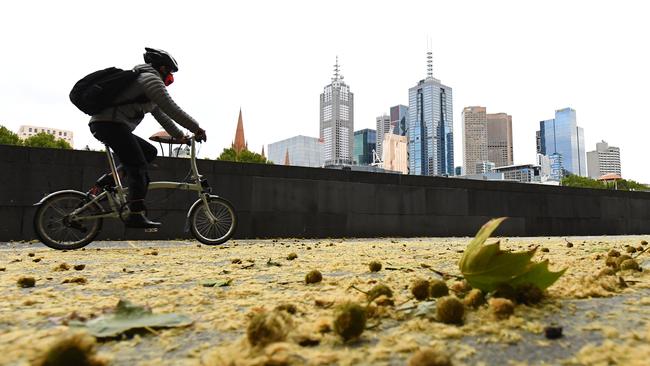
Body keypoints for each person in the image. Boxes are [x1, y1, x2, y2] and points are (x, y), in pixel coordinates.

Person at [88, 47, 207, 228]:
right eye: (170, 72)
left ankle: (109, 181)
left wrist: (181, 136)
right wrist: (197, 128)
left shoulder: (144, 85)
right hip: (110, 124)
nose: (170, 78)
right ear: (162, 68)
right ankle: (135, 214)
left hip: (110, 125)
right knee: (137, 165)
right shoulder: (150, 79)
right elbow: (171, 108)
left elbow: (162, 116)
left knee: (149, 152)